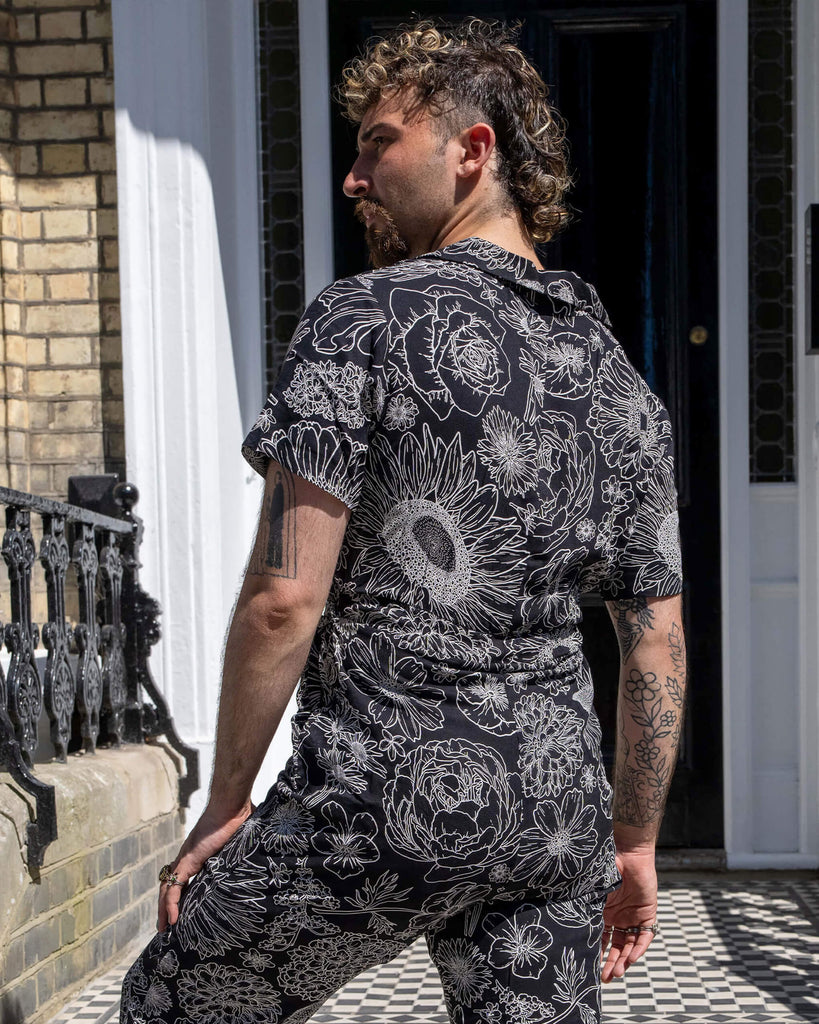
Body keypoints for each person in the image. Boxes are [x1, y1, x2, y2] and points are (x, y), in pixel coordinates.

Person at [121, 18, 686, 1024]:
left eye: (378, 143)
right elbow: (655, 645)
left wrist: (227, 801)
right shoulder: (618, 382)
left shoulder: (362, 320)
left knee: (176, 1000)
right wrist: (634, 843)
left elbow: (283, 601)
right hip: (553, 815)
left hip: (379, 798)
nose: (353, 178)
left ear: (472, 150)